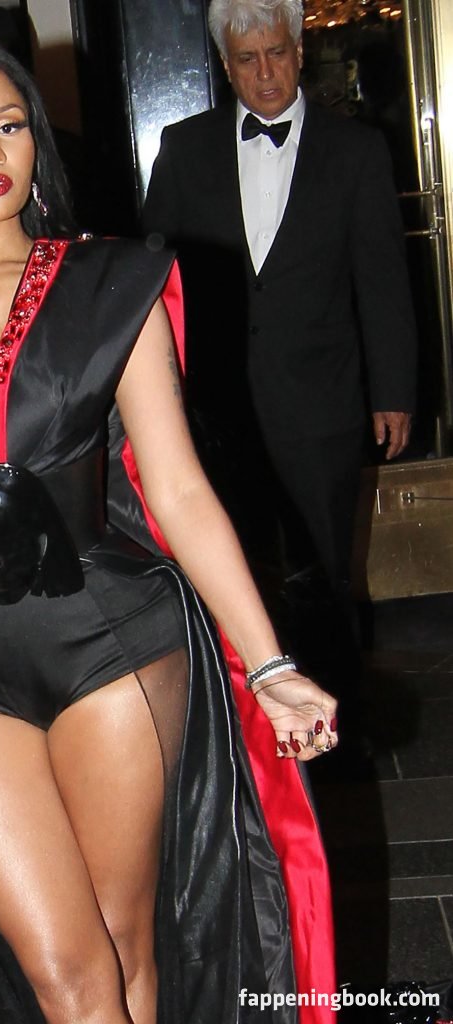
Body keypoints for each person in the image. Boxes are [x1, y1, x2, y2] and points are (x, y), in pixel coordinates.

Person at [0, 41, 338, 1024]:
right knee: (63, 969)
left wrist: (269, 665)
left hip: (114, 643)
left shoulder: (105, 284)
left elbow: (177, 489)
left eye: (10, 124)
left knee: (123, 948)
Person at [142, 0, 416, 626]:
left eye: (276, 54)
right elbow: (153, 281)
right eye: (247, 59)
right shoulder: (185, 148)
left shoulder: (356, 150)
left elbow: (382, 281)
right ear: (226, 65)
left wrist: (393, 392)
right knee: (231, 580)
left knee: (325, 578)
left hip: (321, 404)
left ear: (299, 51)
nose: (265, 73)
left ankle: (335, 688)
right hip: (217, 410)